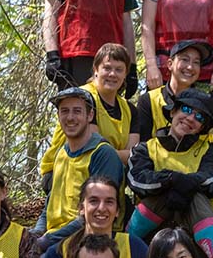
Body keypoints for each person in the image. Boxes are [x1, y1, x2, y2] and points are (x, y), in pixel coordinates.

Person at [127, 88, 213, 258]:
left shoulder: (209, 150)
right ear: (173, 111)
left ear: (202, 127)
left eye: (199, 117)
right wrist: (171, 179)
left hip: (193, 228)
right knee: (162, 191)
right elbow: (137, 180)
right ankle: (124, 252)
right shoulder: (145, 148)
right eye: (187, 110)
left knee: (195, 195)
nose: (191, 118)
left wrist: (183, 183)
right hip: (153, 229)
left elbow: (212, 180)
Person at [40, 43, 141, 186]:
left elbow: (133, 154)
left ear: (125, 74)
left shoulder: (130, 110)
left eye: (119, 70)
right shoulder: (83, 98)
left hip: (103, 173)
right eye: (107, 68)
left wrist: (112, 155)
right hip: (62, 173)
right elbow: (92, 148)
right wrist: (117, 155)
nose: (112, 74)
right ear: (96, 70)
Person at [42, 174, 148, 258]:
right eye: (94, 201)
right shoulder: (58, 253)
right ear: (81, 208)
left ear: (117, 211)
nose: (102, 208)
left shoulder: (132, 246)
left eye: (109, 202)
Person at [44, 87, 125, 238]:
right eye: (64, 111)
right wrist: (36, 233)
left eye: (77, 111)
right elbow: (50, 203)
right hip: (56, 237)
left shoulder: (102, 154)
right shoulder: (61, 153)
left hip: (91, 238)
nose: (70, 117)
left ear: (90, 115)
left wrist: (47, 241)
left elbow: (97, 214)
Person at [136, 39, 212, 140]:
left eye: (196, 62)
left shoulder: (205, 104)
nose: (190, 67)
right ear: (170, 64)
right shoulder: (148, 100)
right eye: (185, 59)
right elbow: (142, 145)